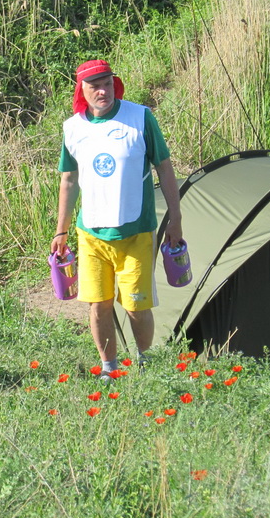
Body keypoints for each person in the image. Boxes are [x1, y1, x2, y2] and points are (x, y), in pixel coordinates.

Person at [50, 59, 183, 377]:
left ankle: (145, 364)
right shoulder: (73, 128)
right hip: (92, 235)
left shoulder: (140, 118)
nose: (103, 91)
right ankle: (109, 369)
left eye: (107, 83)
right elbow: (68, 180)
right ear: (81, 90)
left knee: (137, 306)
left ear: (115, 84)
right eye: (95, 86)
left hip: (137, 232)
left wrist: (176, 219)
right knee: (99, 305)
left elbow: (164, 168)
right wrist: (61, 231)